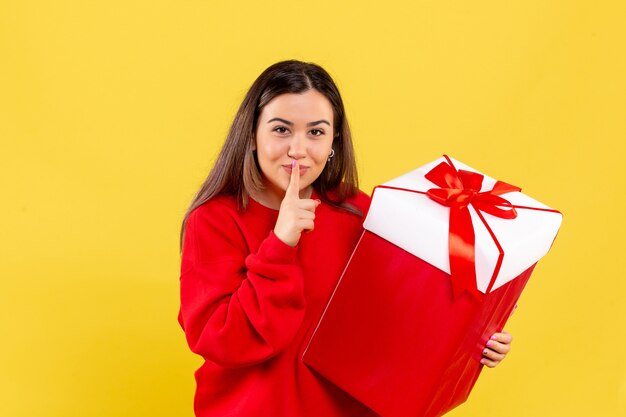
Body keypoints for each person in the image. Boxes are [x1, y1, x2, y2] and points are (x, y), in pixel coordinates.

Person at [177, 60, 513, 417]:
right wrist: (280, 243)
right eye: (281, 130)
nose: (298, 149)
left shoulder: (358, 210)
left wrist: (475, 338)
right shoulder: (213, 220)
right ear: (252, 136)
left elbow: (401, 318)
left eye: (316, 132)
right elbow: (223, 340)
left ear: (334, 140)